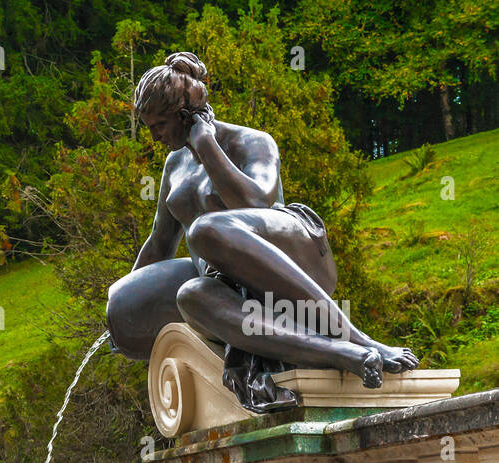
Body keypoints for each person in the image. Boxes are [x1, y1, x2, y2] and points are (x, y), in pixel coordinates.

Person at [105, 52, 417, 412]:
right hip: (233, 286)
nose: (154, 136)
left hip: (293, 258)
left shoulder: (252, 142)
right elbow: (160, 241)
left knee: (205, 230)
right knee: (190, 294)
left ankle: (360, 338)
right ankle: (344, 353)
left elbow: (256, 202)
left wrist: (206, 144)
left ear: (184, 115)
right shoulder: (173, 165)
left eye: (159, 124)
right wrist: (124, 302)